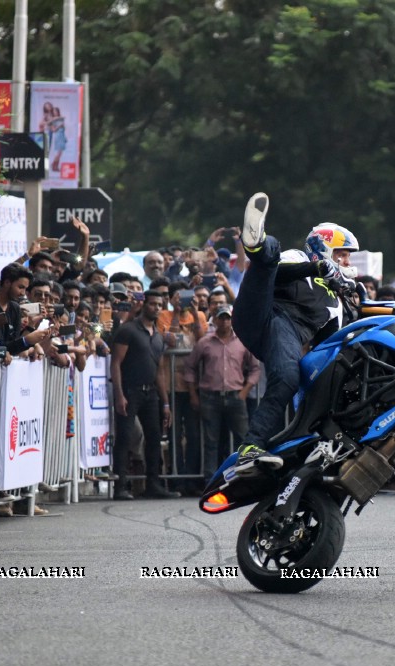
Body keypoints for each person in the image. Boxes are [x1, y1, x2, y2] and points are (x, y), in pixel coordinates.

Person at [230, 192, 358, 474]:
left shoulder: (336, 303)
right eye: (342, 254)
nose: (347, 262)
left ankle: (252, 447)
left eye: (348, 257)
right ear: (324, 248)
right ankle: (256, 241)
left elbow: (329, 347)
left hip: (283, 337)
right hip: (262, 311)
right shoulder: (301, 257)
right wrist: (317, 268)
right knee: (270, 256)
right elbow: (278, 272)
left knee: (289, 377)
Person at [109, 290, 181, 499]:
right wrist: (119, 394)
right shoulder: (128, 331)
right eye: (152, 304)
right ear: (144, 305)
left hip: (151, 394)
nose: (156, 308)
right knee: (124, 438)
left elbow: (159, 370)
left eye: (159, 305)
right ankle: (120, 486)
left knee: (154, 437)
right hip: (130, 390)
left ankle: (153, 484)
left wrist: (166, 403)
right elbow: (116, 363)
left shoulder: (158, 336)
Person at [185, 304, 261, 483]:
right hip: (210, 397)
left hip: (236, 396)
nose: (225, 321)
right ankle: (210, 480)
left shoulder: (242, 342)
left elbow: (255, 369)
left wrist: (245, 391)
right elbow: (190, 367)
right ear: (216, 319)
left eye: (228, 318)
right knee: (211, 441)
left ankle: (243, 478)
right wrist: (193, 394)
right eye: (222, 317)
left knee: (242, 439)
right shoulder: (205, 342)